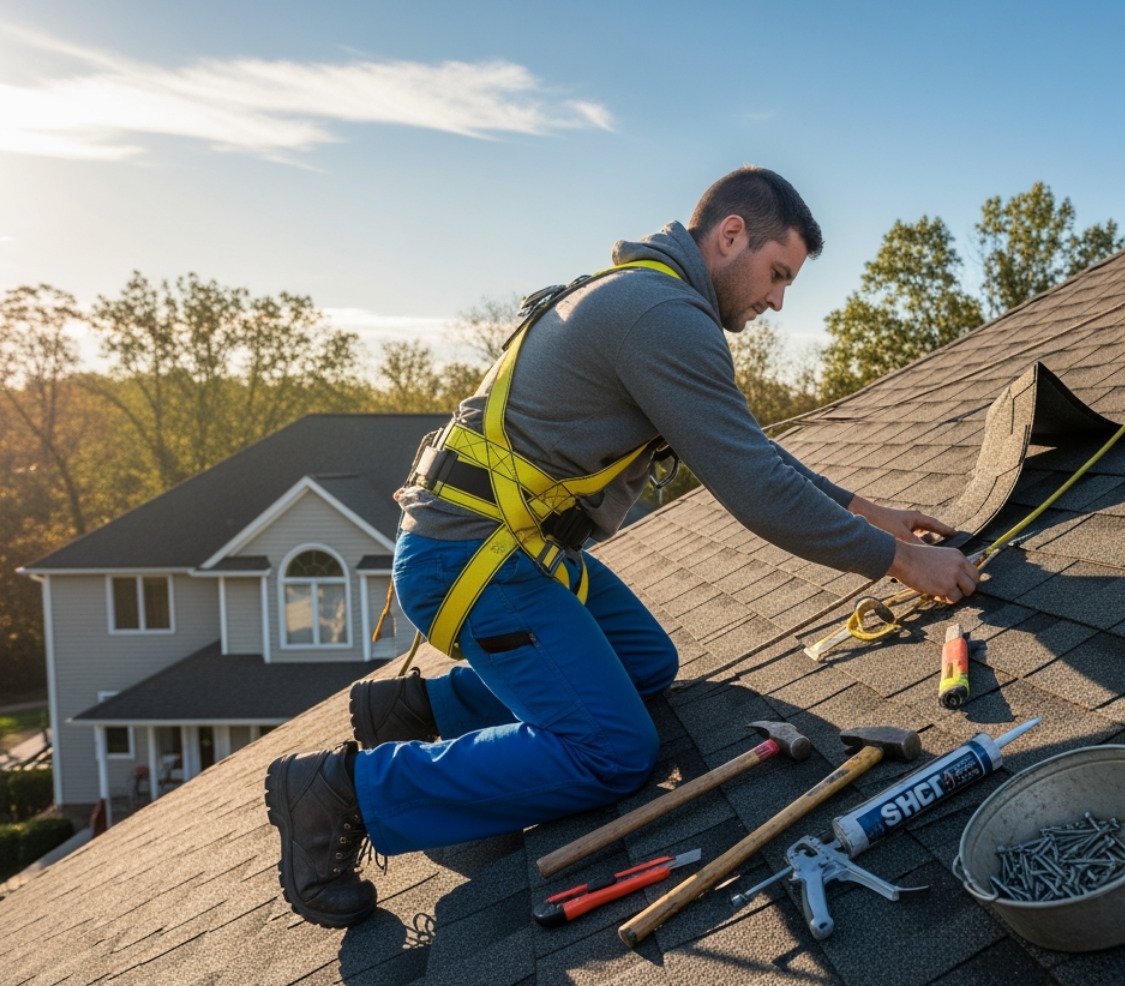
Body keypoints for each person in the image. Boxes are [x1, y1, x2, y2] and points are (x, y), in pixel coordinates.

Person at [264, 166, 980, 927]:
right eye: (777, 275)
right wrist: (904, 562)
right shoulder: (662, 316)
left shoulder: (645, 294)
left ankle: (418, 708)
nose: (777, 301)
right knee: (612, 751)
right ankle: (343, 790)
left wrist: (874, 515)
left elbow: (748, 450)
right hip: (470, 560)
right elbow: (754, 485)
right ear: (731, 235)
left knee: (646, 663)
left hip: (509, 548)